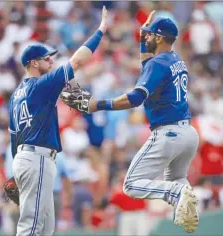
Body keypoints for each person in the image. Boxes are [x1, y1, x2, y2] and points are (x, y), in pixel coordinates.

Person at [74, 11, 199, 233]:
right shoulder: (176, 60)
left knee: (131, 185)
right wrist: (143, 39)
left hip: (167, 133)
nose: (146, 37)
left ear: (160, 38)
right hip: (188, 134)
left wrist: (98, 105)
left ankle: (178, 193)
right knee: (177, 179)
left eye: (150, 35)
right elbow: (147, 68)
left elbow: (135, 98)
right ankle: (183, 200)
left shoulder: (158, 64)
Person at [8, 6, 108, 236]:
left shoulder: (16, 95)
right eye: (46, 58)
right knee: (32, 227)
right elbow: (77, 61)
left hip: (25, 157)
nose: (51, 61)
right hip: (37, 157)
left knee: (44, 228)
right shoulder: (41, 85)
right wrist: (100, 31)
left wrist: (18, 170)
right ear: (33, 63)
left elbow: (14, 136)